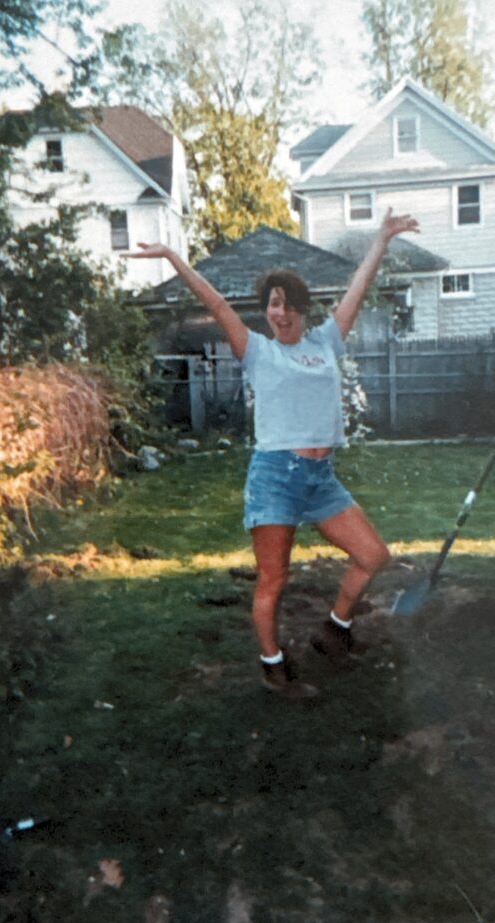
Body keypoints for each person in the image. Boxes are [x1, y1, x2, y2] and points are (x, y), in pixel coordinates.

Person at [124, 208, 419, 698]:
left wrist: (382, 240)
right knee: (273, 580)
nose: (277, 313)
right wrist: (174, 257)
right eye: (270, 306)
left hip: (321, 478)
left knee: (373, 556)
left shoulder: (326, 341)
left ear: (301, 307)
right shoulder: (258, 350)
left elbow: (355, 293)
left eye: (284, 304)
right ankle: (273, 666)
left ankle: (332, 631)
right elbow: (217, 304)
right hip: (276, 476)